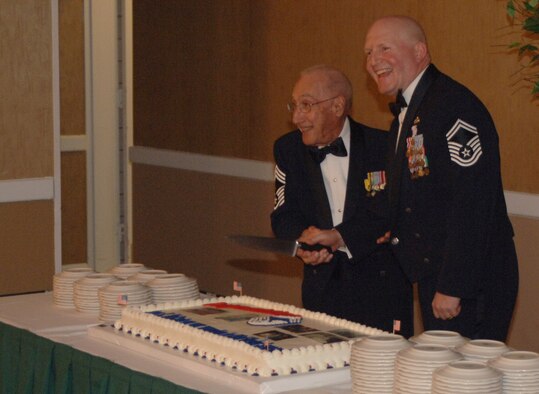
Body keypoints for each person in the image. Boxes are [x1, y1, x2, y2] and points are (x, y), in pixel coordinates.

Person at [362, 15, 519, 341]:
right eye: (368, 53)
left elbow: (473, 202)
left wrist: (453, 285)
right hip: (439, 272)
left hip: (471, 280)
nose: (373, 60)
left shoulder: (453, 107)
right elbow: (412, 195)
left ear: (420, 52)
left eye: (384, 48)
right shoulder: (411, 113)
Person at [271, 65, 413, 336]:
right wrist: (303, 242)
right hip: (322, 291)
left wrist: (339, 236)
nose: (297, 117)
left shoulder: (384, 147)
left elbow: (390, 212)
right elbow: (282, 213)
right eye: (294, 105)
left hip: (381, 292)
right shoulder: (288, 149)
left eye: (307, 105)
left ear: (337, 106)